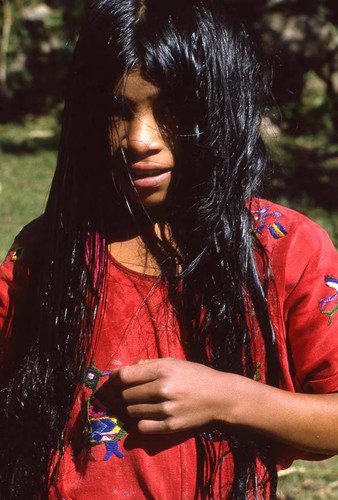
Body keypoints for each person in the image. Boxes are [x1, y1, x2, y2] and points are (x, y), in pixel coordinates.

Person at [1, 0, 338, 498]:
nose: (140, 140)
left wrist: (230, 398)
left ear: (219, 106)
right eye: (117, 111)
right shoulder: (51, 250)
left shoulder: (285, 249)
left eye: (172, 110)